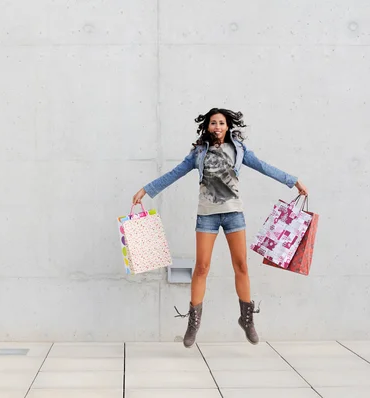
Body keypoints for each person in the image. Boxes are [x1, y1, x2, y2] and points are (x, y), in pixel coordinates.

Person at [132, 108, 308, 348]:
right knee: (202, 267)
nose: (217, 126)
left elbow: (264, 167)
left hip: (234, 214)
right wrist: (146, 190)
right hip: (207, 216)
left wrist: (293, 181)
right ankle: (193, 323)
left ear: (228, 126)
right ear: (207, 127)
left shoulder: (239, 150)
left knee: (241, 265)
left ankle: (246, 319)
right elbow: (174, 174)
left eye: (221, 123)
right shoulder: (198, 153)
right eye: (213, 123)